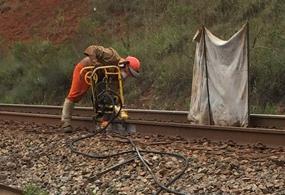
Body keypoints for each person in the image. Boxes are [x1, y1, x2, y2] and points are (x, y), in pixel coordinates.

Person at [61, 45, 141, 133]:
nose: (128, 75)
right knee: (76, 94)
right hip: (86, 69)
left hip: (99, 75)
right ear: (125, 64)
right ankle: (65, 122)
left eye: (131, 75)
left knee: (109, 97)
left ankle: (104, 121)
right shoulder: (111, 55)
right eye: (129, 72)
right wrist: (95, 63)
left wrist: (118, 107)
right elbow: (91, 49)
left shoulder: (118, 75)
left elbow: (116, 93)